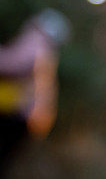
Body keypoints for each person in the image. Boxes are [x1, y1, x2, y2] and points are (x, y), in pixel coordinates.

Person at [0, 9, 70, 169]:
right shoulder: (49, 52)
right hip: (31, 118)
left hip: (16, 112)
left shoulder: (36, 41)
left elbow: (12, 64)